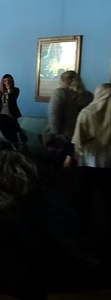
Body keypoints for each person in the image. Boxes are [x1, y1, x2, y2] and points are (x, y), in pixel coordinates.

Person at [65, 83, 111, 228]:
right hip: (108, 163)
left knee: (84, 198)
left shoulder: (87, 112)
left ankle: (82, 228)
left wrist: (69, 157)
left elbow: (76, 140)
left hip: (87, 162)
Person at [44, 70, 93, 157]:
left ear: (63, 81)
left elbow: (54, 118)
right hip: (82, 139)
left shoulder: (59, 93)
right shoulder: (89, 95)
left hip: (62, 138)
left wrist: (53, 135)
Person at [0, 73, 24, 144]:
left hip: (11, 115)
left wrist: (9, 91)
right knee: (3, 132)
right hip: (0, 115)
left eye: (9, 80)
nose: (7, 82)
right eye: (5, 81)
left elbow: (12, 101)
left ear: (12, 81)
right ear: (2, 82)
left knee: (17, 132)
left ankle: (19, 144)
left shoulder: (16, 90)